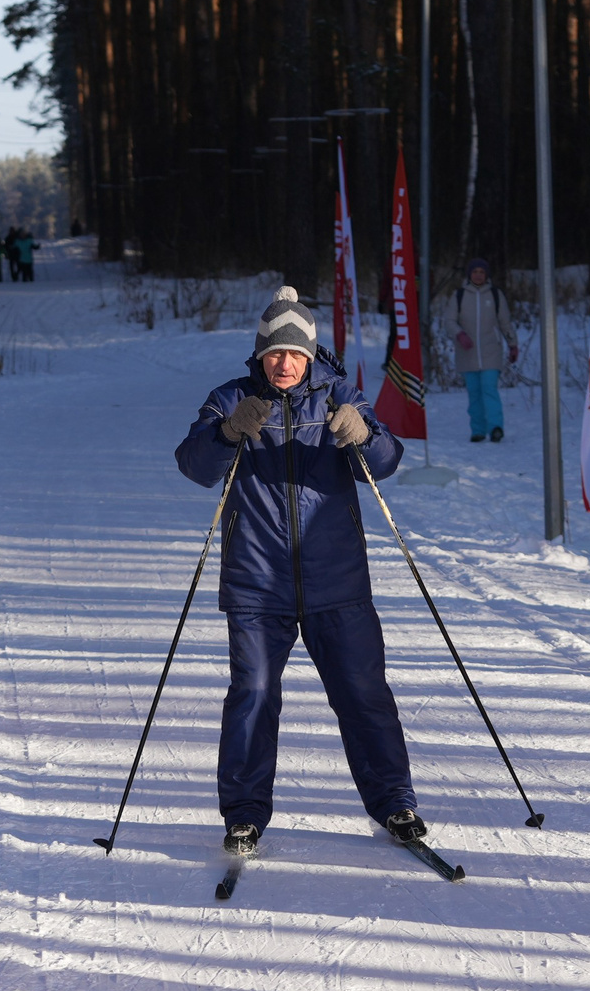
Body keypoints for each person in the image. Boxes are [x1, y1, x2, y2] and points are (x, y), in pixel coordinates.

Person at [175, 286, 425, 856]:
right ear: (260, 354)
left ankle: (394, 803)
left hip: (338, 582)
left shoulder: (339, 397)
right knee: (254, 695)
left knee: (364, 694)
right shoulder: (231, 398)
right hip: (257, 584)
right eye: (274, 353)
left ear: (310, 355)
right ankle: (243, 814)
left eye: (295, 354)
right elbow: (194, 465)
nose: (284, 364)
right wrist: (227, 432)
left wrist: (364, 433)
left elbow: (383, 463)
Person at [449, 258, 517, 443]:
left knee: (489, 389)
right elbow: (448, 321)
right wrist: (459, 334)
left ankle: (495, 427)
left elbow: (505, 322)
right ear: (469, 274)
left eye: (482, 271)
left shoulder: (495, 295)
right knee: (474, 393)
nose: (478, 275)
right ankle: (478, 430)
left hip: (490, 352)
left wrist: (513, 344)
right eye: (475, 271)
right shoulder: (459, 295)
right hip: (467, 354)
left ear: (486, 275)